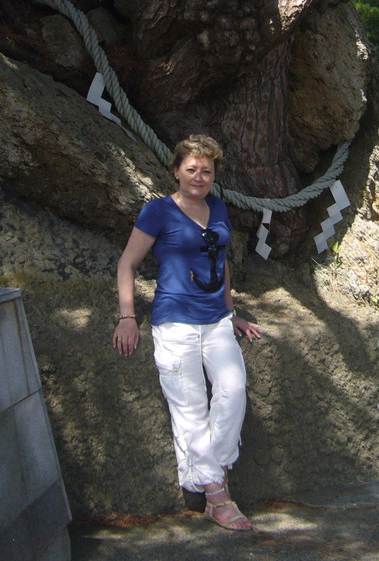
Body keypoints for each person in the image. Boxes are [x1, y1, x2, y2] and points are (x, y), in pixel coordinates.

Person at [114, 135, 261, 531]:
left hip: (215, 320)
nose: (199, 176)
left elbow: (221, 262)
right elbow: (127, 264)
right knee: (190, 406)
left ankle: (211, 470)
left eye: (207, 171)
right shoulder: (158, 212)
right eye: (191, 169)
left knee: (232, 389)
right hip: (175, 320)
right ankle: (217, 495)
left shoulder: (216, 207)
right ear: (176, 170)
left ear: (214, 176)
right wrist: (128, 317)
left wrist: (232, 313)